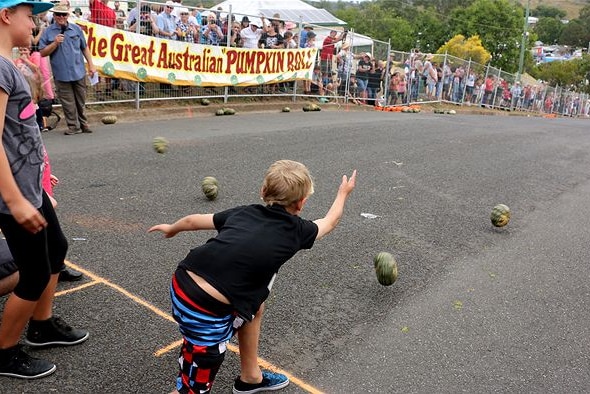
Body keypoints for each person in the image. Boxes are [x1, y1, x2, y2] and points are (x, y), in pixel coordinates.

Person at [149, 160, 357, 394]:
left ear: (263, 192)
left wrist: (172, 228)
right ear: (301, 203)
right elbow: (330, 221)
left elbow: (192, 221)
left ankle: (250, 377)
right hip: (207, 311)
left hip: (181, 282)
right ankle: (199, 346)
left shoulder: (244, 212)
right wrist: (343, 193)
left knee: (255, 306)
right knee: (191, 390)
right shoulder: (298, 230)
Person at [0, 0, 89, 380]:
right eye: (29, 15)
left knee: (58, 250)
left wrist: (33, 188)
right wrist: (16, 200)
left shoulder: (8, 64)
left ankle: (42, 325)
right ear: (5, 16)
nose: (36, 22)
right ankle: (4, 353)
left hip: (28, 188)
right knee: (34, 273)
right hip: (11, 196)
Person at [39, 3, 96, 135]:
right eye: (58, 14)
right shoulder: (48, 32)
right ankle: (73, 126)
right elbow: (42, 52)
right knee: (68, 102)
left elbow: (84, 48)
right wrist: (55, 43)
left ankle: (84, 124)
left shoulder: (76, 29)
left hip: (79, 71)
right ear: (53, 15)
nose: (61, 17)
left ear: (67, 15)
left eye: (63, 14)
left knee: (81, 100)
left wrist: (91, 65)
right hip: (61, 73)